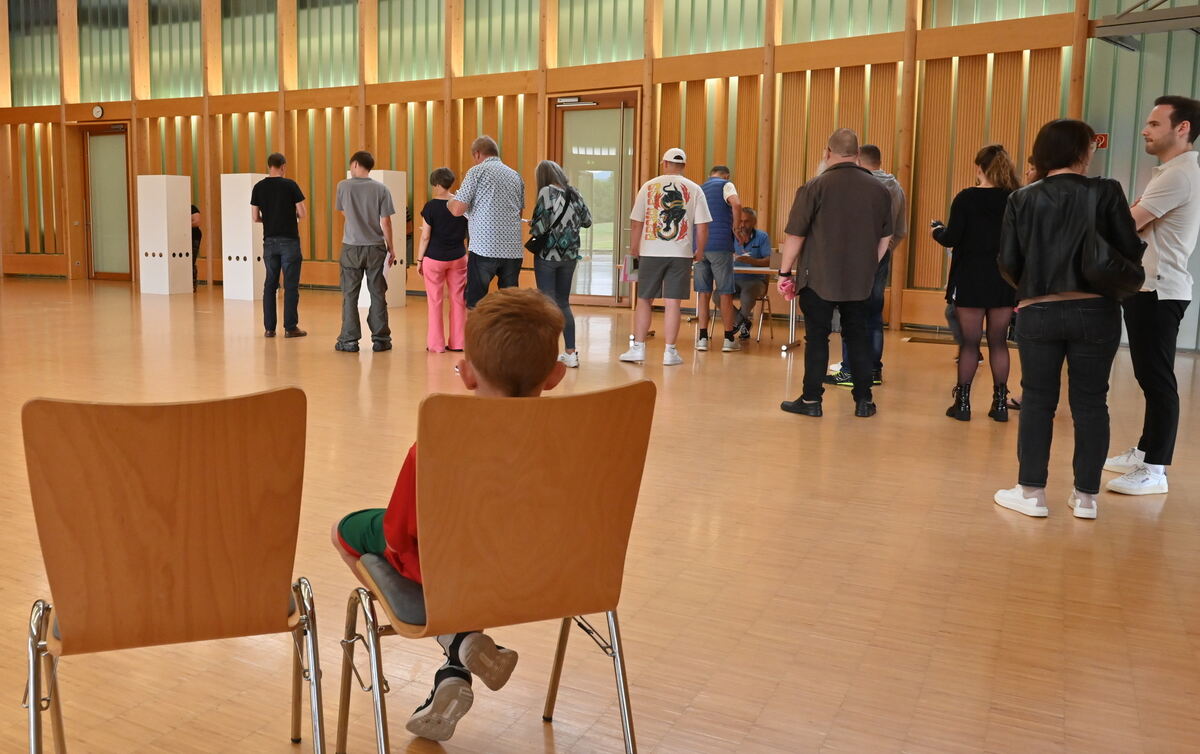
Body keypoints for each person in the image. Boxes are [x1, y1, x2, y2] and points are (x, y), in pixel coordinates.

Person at [330, 289, 567, 742]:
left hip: (450, 571)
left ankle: (456, 639)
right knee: (485, 547)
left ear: (468, 375)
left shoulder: (438, 448)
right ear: (555, 375)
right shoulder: (579, 441)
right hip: (543, 572)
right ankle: (456, 665)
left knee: (347, 530)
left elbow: (399, 536)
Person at [994, 119, 1144, 520]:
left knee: (1038, 401)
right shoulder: (1106, 191)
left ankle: (1031, 493)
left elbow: (1008, 262)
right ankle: (1086, 497)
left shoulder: (1022, 199)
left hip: (1039, 310)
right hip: (1097, 311)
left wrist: (1030, 289)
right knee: (1091, 402)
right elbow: (1130, 249)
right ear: (1083, 152)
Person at [1105, 95, 1200, 496]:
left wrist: (1131, 216)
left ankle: (1156, 469)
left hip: (1159, 290)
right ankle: (1146, 451)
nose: (1145, 130)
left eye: (1155, 124)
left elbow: (1127, 224)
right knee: (1149, 375)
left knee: (1157, 379)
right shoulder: (1171, 172)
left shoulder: (1178, 175)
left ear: (1182, 129)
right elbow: (1136, 219)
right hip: (1151, 288)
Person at [778, 129, 893, 418]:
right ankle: (864, 400)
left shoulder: (814, 187)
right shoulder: (879, 190)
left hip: (818, 277)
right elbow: (885, 238)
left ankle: (811, 400)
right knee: (859, 337)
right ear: (856, 154)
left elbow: (795, 235)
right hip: (860, 280)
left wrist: (784, 272)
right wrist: (870, 265)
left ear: (828, 152)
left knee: (817, 338)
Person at [932, 144, 1022, 422]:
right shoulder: (1016, 198)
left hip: (970, 278)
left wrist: (937, 231)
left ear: (979, 168)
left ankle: (963, 404)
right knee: (998, 343)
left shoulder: (966, 198)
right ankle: (1000, 404)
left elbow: (953, 238)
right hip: (1004, 280)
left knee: (970, 344)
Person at [824, 144, 908, 387]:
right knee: (874, 313)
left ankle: (850, 369)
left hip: (855, 256)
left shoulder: (859, 184)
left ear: (859, 160)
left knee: (852, 312)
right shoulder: (897, 188)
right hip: (882, 256)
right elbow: (901, 229)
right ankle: (873, 370)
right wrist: (886, 249)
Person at [619, 148, 711, 367]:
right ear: (684, 166)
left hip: (650, 252)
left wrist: (634, 248)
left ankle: (638, 348)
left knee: (644, 300)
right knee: (673, 303)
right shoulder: (695, 189)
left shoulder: (649, 186)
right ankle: (670, 352)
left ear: (665, 163)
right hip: (681, 253)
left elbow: (636, 222)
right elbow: (703, 226)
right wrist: (700, 250)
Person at [448, 136, 525, 308]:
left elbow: (457, 210)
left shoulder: (476, 172)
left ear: (477, 154)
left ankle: (479, 335)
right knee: (510, 304)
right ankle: (507, 335)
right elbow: (519, 212)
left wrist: (450, 200)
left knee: (476, 304)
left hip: (484, 247)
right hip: (512, 250)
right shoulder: (515, 176)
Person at [530, 159, 592, 368]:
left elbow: (539, 228)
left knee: (546, 305)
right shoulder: (574, 193)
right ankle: (571, 353)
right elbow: (588, 221)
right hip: (569, 256)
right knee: (563, 303)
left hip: (548, 255)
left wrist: (534, 224)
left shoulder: (546, 192)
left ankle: (547, 355)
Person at [334, 150, 396, 353]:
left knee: (349, 294)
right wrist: (391, 247)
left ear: (354, 164)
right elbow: (385, 221)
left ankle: (349, 340)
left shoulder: (343, 186)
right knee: (377, 293)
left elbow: (343, 211)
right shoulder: (381, 189)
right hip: (376, 247)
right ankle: (381, 339)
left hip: (351, 247)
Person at [251, 152, 308, 339]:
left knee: (270, 284)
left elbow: (255, 217)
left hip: (269, 242)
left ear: (269, 166)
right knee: (290, 285)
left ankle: (269, 329)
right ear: (283, 166)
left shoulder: (258, 187)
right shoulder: (290, 185)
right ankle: (290, 327)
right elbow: (303, 213)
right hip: (289, 241)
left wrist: (268, 219)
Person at [417, 167, 468, 353]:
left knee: (435, 301)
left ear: (438, 184)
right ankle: (458, 343)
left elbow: (425, 237)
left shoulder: (430, 207)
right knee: (458, 300)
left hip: (434, 258)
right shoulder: (461, 205)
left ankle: (436, 345)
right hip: (458, 257)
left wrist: (419, 259)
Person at [696, 165, 743, 352]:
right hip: (720, 245)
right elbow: (737, 204)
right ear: (726, 175)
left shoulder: (699, 188)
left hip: (700, 246)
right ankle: (728, 338)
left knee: (703, 293)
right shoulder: (726, 184)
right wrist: (736, 227)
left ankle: (702, 339)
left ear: (709, 175)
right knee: (725, 292)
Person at [732, 207, 771, 339]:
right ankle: (744, 322)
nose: (742, 225)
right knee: (718, 295)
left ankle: (736, 323)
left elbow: (769, 261)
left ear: (754, 222)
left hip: (756, 280)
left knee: (747, 293)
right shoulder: (731, 236)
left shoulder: (762, 237)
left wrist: (752, 261)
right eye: (740, 221)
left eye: (747, 221)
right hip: (734, 279)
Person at [190, 204, 202, 291]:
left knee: (191, 260)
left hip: (194, 236)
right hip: (180, 236)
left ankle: (193, 284)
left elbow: (197, 222)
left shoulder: (192, 208)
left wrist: (183, 225)